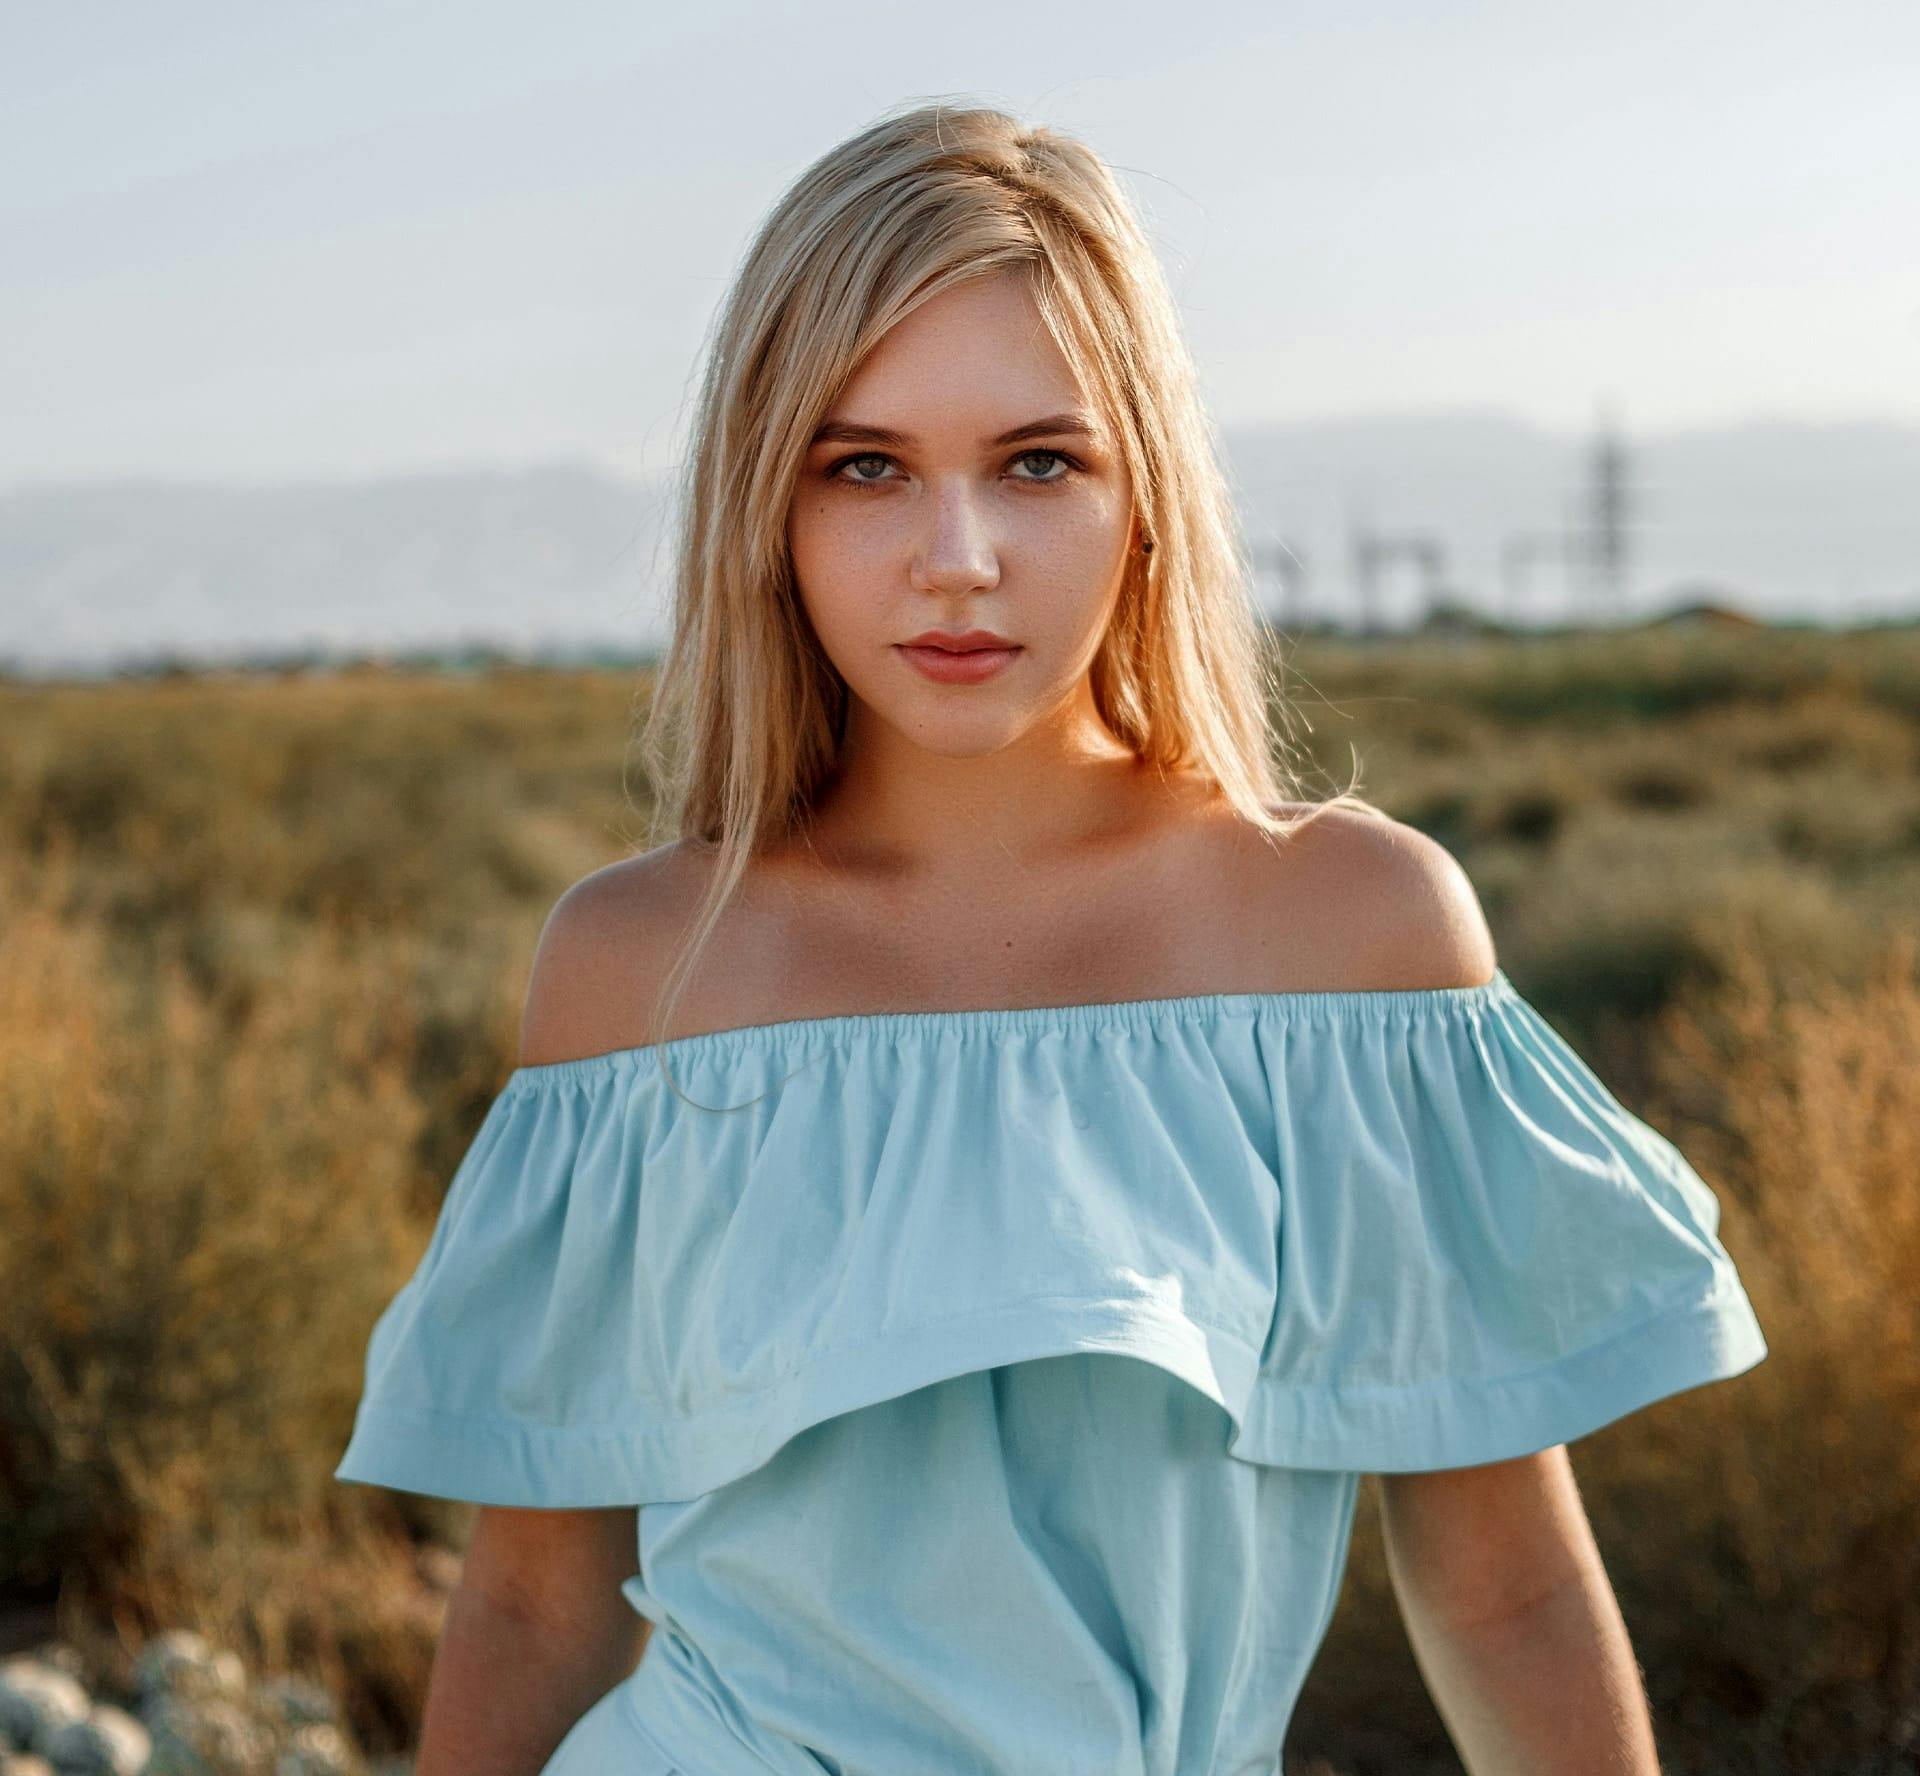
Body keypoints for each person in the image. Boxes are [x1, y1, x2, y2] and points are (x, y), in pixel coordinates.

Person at [334, 100, 1769, 1776]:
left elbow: (1503, 1586)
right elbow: (533, 1604)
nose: (958, 561)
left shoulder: (1349, 939)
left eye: (1039, 462)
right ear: (768, 515)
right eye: (864, 467)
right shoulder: (638, 965)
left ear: (1144, 492)